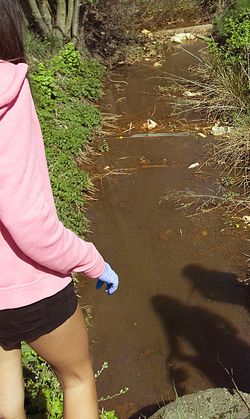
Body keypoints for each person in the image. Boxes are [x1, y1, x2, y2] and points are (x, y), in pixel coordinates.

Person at [0, 1, 120, 418]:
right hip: (27, 286)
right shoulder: (8, 90)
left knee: (5, 381)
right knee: (77, 377)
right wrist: (92, 261)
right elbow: (28, 223)